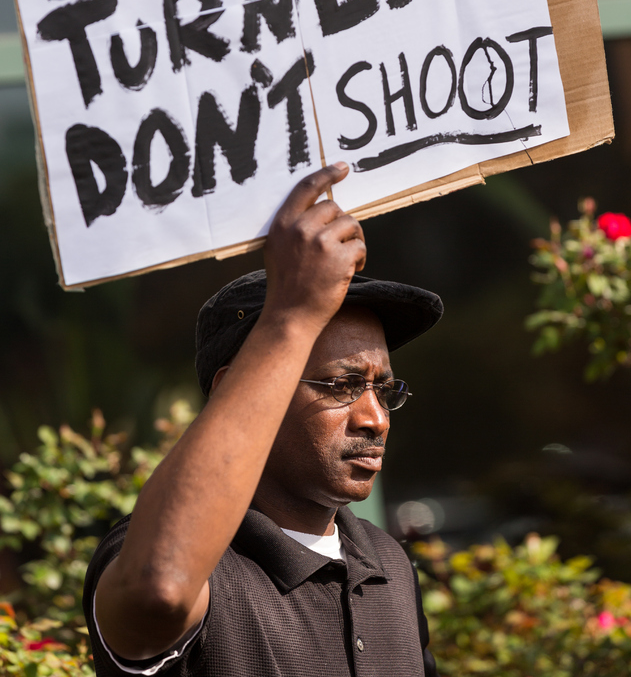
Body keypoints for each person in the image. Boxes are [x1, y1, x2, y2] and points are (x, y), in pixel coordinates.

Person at [83, 162, 443, 676]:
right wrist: (292, 314)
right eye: (341, 386)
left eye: (383, 390)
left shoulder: (386, 562)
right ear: (238, 390)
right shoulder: (183, 561)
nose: (375, 419)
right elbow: (158, 588)